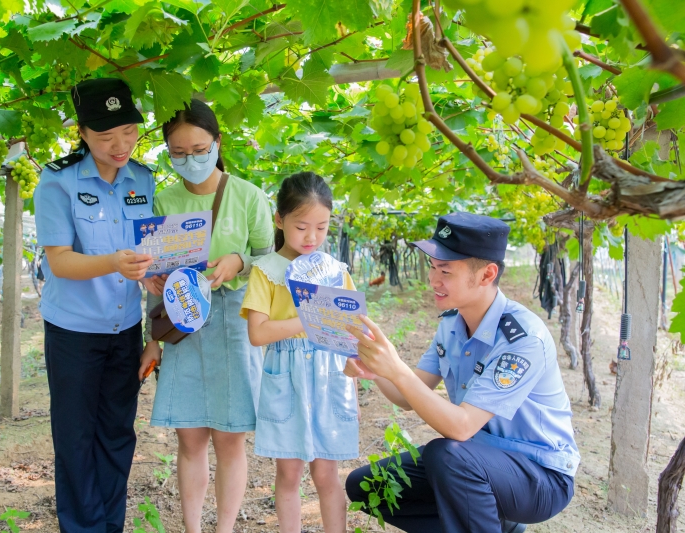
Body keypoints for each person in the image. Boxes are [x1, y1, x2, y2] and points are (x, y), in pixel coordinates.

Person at [344, 212, 579, 533]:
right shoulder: (452, 325)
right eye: (432, 267)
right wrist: (374, 365)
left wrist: (398, 369)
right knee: (368, 486)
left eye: (446, 270)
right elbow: (406, 397)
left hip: (540, 475)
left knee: (447, 454)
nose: (433, 279)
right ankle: (493, 523)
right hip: (479, 460)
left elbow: (462, 427)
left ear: (486, 274)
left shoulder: (522, 339)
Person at [139, 99, 275, 533]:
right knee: (190, 437)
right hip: (181, 320)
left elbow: (272, 262)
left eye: (199, 150)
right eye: (178, 153)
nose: (190, 160)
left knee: (231, 438)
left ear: (217, 143)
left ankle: (225, 528)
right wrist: (152, 327)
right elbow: (153, 266)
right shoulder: (163, 198)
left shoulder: (249, 196)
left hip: (234, 320)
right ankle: (193, 529)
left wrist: (239, 260)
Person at [33, 77, 157, 533]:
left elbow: (155, 258)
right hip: (74, 334)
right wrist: (112, 262)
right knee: (75, 438)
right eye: (106, 136)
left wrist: (157, 332)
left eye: (128, 131)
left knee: (117, 435)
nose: (120, 144)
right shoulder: (58, 181)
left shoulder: (143, 179)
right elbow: (59, 263)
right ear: (83, 133)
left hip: (125, 331)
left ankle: (110, 525)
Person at [240, 172, 358, 533]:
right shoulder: (267, 271)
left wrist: (354, 367)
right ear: (279, 220)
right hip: (286, 379)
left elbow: (352, 328)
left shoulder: (336, 271)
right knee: (288, 472)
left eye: (321, 228)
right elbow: (258, 333)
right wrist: (311, 320)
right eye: (302, 226)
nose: (311, 237)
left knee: (327, 472)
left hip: (328, 376)